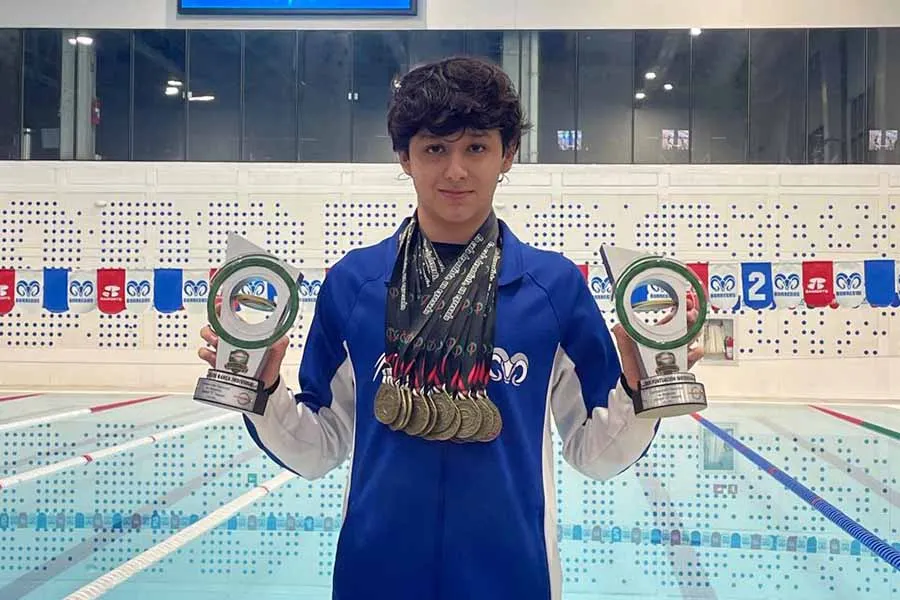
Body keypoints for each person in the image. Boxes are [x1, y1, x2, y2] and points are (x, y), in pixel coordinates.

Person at [199, 56, 703, 600]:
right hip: (375, 577)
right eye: (435, 149)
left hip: (512, 579)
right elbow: (318, 449)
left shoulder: (553, 290)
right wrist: (262, 391)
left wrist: (639, 391)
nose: (456, 171)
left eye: (476, 147)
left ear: (508, 155)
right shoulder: (356, 285)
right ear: (404, 158)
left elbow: (596, 455)